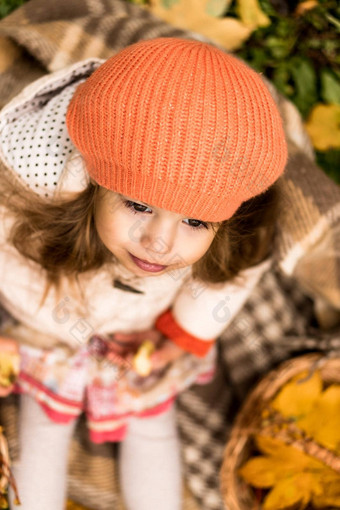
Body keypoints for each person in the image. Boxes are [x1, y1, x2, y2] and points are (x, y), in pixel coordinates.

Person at [0, 37, 287, 510]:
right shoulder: (35, 201)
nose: (160, 242)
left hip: (135, 336)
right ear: (94, 184)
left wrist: (181, 335)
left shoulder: (229, 237)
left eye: (195, 221)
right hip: (40, 331)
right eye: (138, 205)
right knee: (43, 430)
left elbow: (233, 275)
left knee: (151, 423)